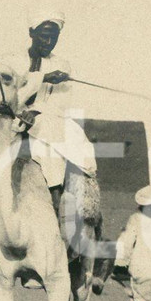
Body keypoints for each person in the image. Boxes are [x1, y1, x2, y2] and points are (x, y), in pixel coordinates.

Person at [13, 11, 98, 213]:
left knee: (53, 138)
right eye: (44, 35)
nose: (49, 41)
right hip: (12, 114)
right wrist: (42, 78)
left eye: (54, 37)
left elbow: (60, 103)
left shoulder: (61, 65)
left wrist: (36, 113)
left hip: (44, 117)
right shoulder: (13, 60)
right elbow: (11, 91)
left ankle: (55, 196)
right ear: (31, 32)